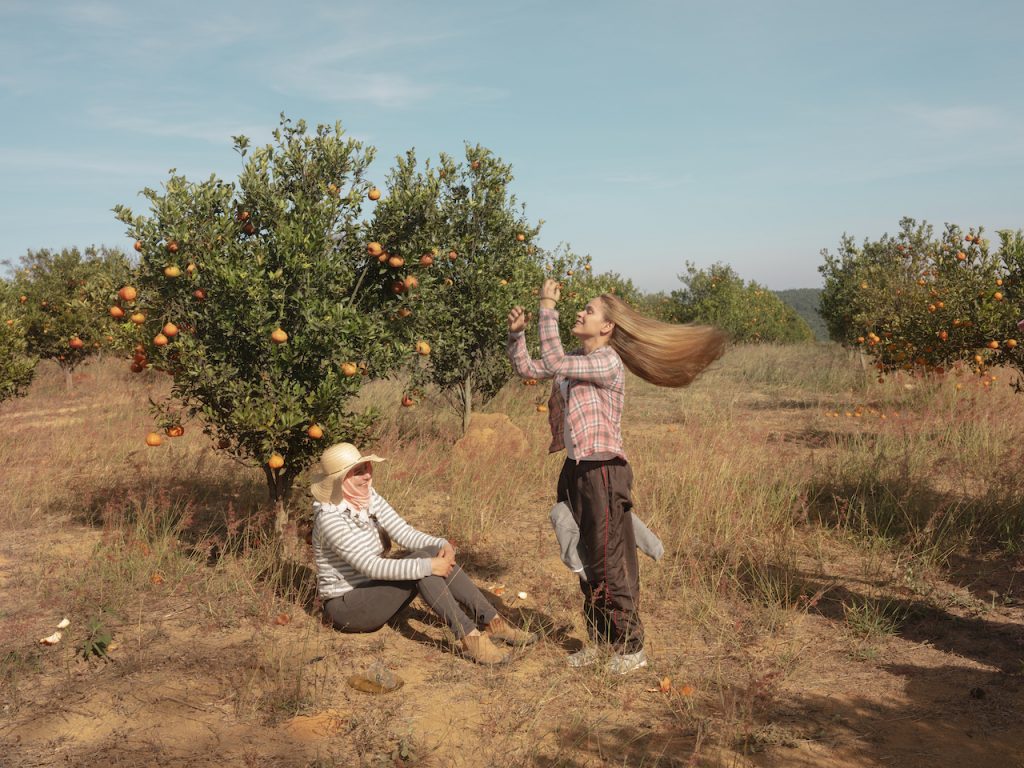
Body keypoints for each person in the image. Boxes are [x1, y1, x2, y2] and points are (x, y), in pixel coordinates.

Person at [507, 280, 726, 674]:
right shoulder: (577, 358)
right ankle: (601, 640)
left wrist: (547, 306)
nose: (581, 313)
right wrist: (517, 335)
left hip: (604, 470)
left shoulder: (606, 361)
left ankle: (630, 648)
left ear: (607, 328)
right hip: (576, 468)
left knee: (609, 561)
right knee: (586, 558)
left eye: (588, 311)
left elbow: (554, 361)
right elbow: (530, 367)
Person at [310, 442, 536, 665]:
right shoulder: (330, 518)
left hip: (375, 591)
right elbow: (370, 566)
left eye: (367, 468)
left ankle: (492, 622)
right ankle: (470, 637)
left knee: (430, 553)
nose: (367, 476)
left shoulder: (367, 497)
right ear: (341, 480)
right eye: (358, 472)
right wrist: (428, 566)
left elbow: (403, 532)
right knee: (423, 565)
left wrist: (441, 544)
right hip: (348, 609)